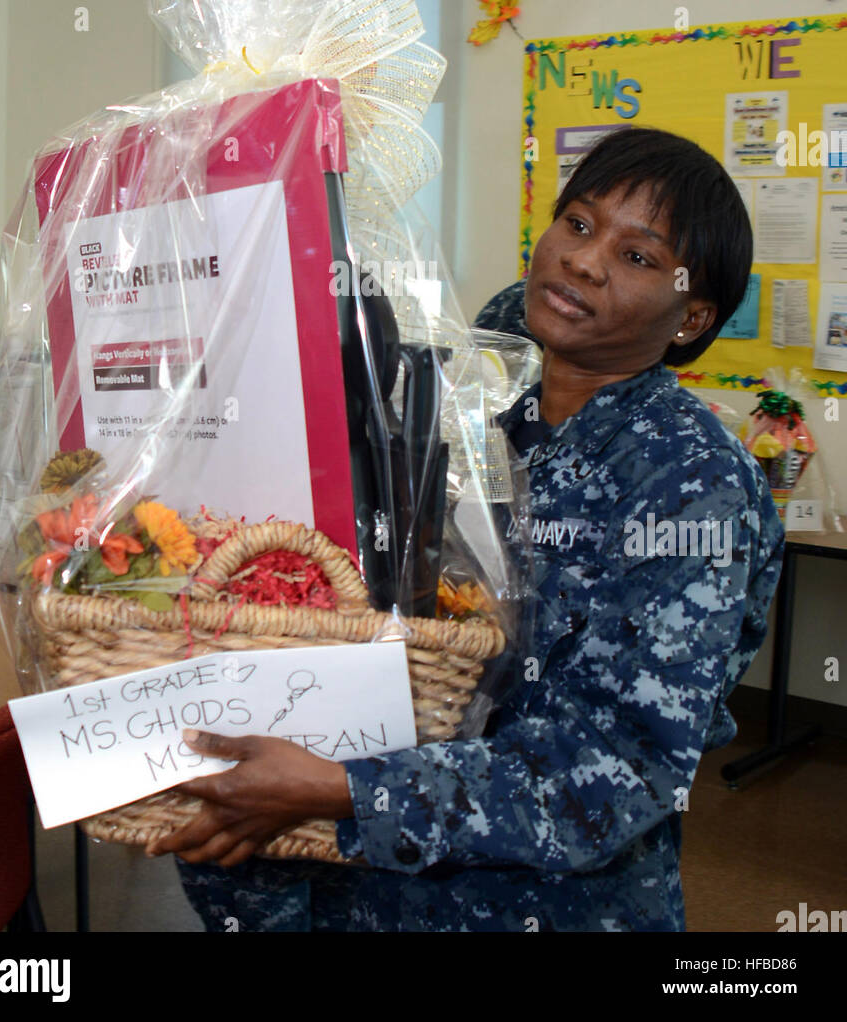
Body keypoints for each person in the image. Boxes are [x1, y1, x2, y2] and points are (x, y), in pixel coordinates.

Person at [149, 125, 784, 932]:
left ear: (691, 318)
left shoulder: (690, 482)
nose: (584, 260)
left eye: (638, 257)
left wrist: (343, 787)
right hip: (348, 883)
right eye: (579, 225)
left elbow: (619, 771)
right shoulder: (470, 388)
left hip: (529, 908)